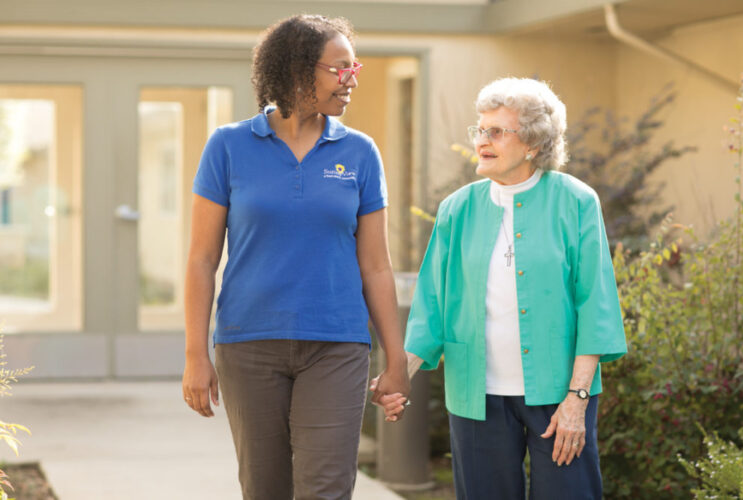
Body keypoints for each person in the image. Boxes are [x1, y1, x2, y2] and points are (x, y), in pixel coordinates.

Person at [182, 15, 410, 500]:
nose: (351, 79)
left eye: (355, 67)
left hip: (337, 344)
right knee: (264, 487)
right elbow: (202, 259)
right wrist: (195, 354)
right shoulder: (228, 146)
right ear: (298, 70)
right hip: (249, 344)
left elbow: (376, 266)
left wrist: (395, 359)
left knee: (326, 488)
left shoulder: (361, 153)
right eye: (339, 68)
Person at [374, 77, 627, 499]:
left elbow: (595, 304)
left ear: (532, 143)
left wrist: (577, 399)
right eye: (480, 129)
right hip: (476, 397)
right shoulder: (457, 209)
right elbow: (432, 306)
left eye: (496, 131)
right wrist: (400, 376)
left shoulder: (576, 202)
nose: (481, 140)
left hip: (559, 394)